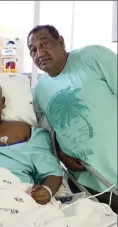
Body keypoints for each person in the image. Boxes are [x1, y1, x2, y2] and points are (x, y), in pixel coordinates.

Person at [27, 24, 117, 212]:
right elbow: (51, 130)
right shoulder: (40, 90)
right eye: (33, 50)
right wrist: (61, 154)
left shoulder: (93, 57)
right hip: (90, 182)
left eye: (44, 44)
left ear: (60, 42)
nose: (39, 53)